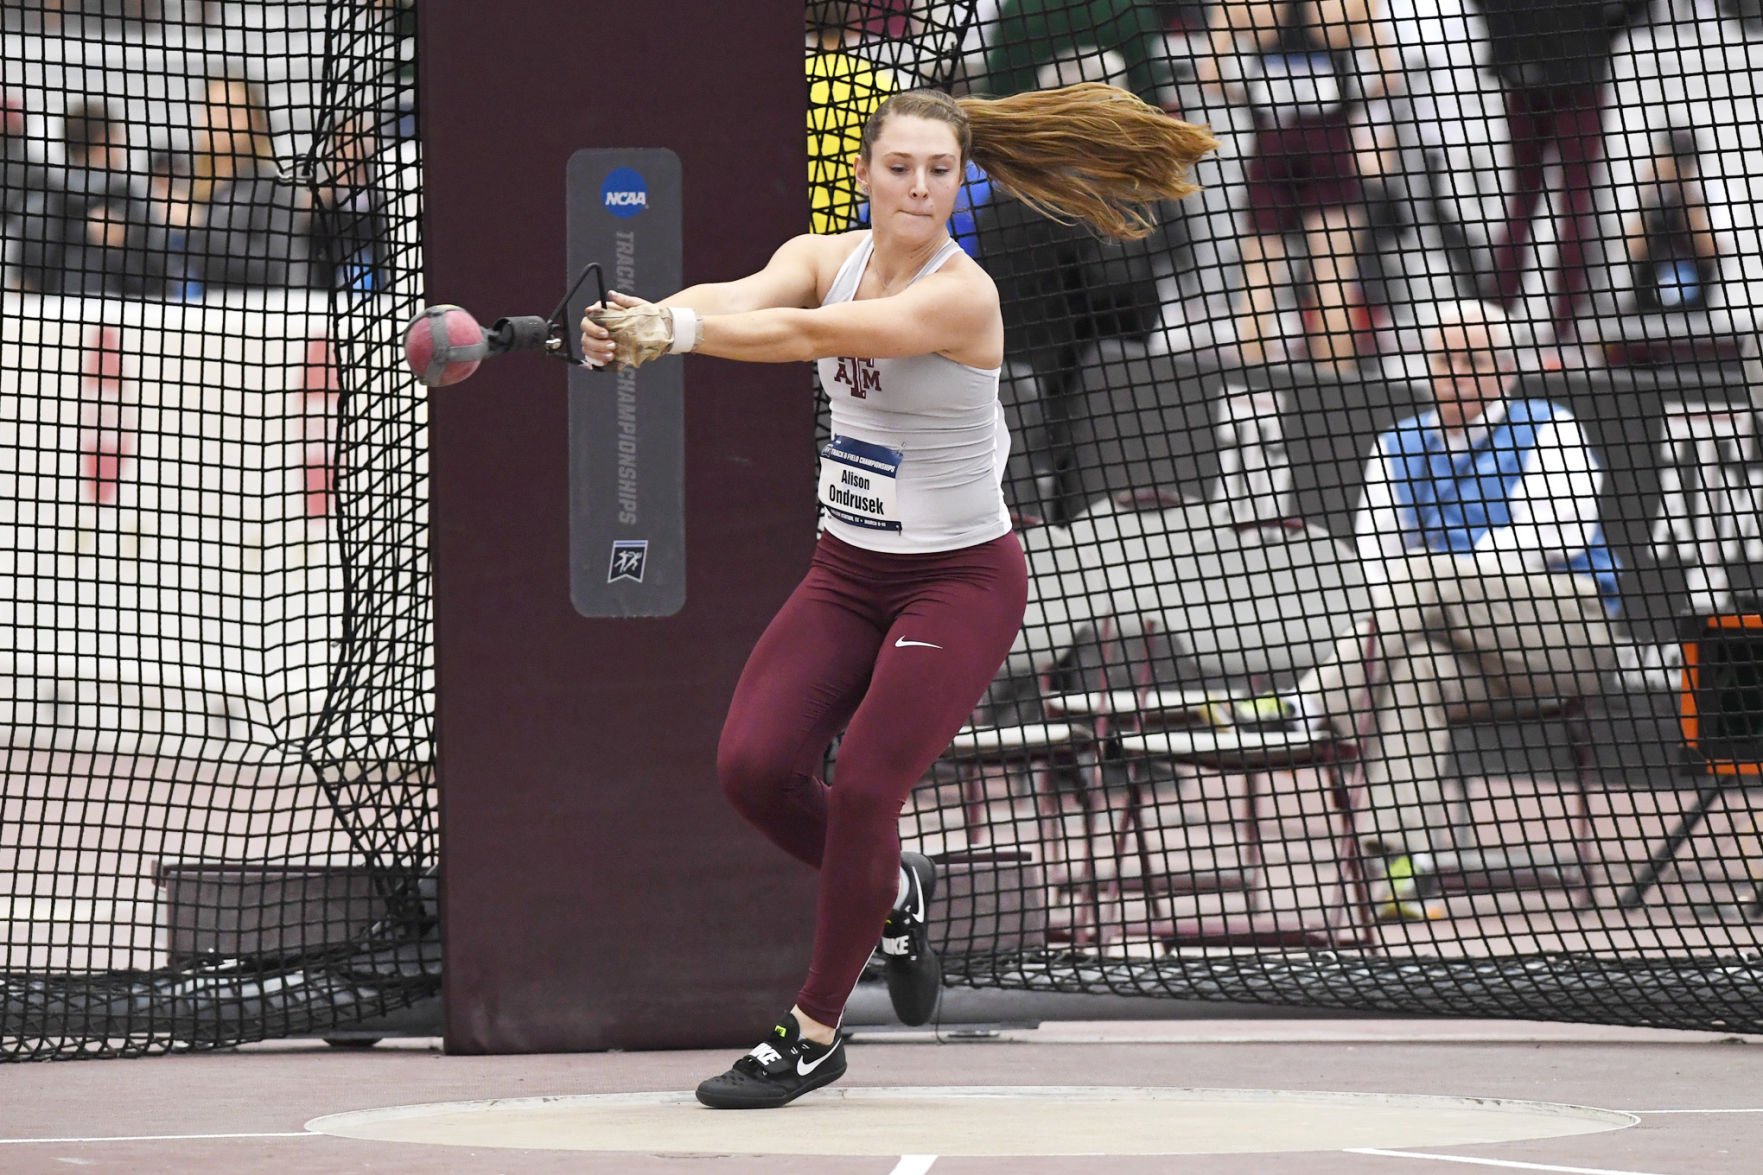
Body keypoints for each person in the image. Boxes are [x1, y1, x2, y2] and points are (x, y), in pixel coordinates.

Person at [580, 83, 1215, 1109]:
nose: (918, 187)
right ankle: (894, 891)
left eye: (937, 170)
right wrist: (653, 317)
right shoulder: (822, 252)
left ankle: (814, 1031)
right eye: (899, 167)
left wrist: (677, 335)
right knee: (750, 767)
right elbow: (754, 292)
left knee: (869, 783)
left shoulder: (961, 296)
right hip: (848, 570)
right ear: (865, 173)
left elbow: (800, 336)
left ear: (958, 182)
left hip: (957, 582)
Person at [1240, 300, 1622, 921]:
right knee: (1415, 672)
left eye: (1473, 361)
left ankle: (1310, 705)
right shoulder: (1397, 444)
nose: (1456, 375)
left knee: (1422, 579)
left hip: (1565, 631)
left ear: (1505, 371)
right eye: (1445, 359)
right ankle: (1404, 869)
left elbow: (1543, 540)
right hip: (1453, 642)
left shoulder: (1551, 428)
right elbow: (1373, 563)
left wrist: (1435, 576)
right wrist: (1427, 584)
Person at [1194, 0, 1402, 372]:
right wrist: (1346, 108)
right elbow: (1388, 76)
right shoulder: (1351, 5)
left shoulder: (1243, 7)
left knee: (1259, 274)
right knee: (1334, 273)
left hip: (1273, 137)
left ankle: (1249, 391)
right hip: (1327, 140)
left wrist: (1252, 102)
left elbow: (1209, 76)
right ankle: (1334, 393)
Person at [1469, 0, 1651, 343]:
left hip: (1534, 65)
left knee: (1527, 203)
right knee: (1571, 203)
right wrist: (1599, 30)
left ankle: (1497, 324)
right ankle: (1560, 330)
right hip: (1575, 65)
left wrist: (1512, 32)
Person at [183, 75, 315, 291]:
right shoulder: (193, 189)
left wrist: (203, 225)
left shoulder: (272, 188)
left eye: (231, 112)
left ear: (255, 121)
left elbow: (275, 268)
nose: (218, 121)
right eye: (211, 110)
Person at [1623, 126, 1720, 314]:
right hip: (1645, 312)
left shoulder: (1714, 191)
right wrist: (1649, 193)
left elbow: (1708, 250)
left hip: (1696, 313)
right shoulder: (1649, 191)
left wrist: (1682, 189)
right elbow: (1635, 249)